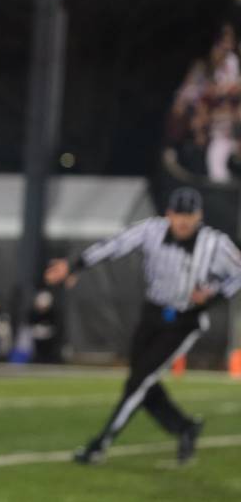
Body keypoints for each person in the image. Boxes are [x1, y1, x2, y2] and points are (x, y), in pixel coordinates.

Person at [45, 187, 241, 465]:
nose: (183, 222)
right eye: (179, 215)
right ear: (169, 214)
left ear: (199, 216)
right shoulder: (152, 230)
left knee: (138, 382)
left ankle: (100, 444)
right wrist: (75, 265)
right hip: (153, 313)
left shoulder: (214, 243)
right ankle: (185, 427)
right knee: (140, 380)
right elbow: (116, 243)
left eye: (190, 215)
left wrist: (214, 294)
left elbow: (237, 272)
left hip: (185, 319)